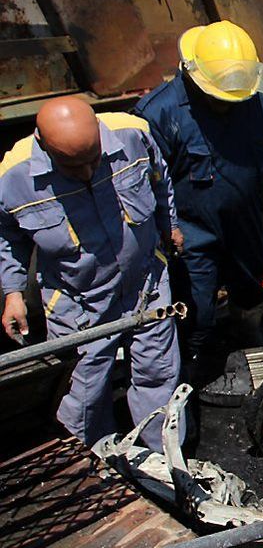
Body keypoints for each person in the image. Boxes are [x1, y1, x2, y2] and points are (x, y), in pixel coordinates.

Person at [0, 98, 182, 451]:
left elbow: (160, 179)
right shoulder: (12, 178)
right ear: (43, 144)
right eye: (72, 166)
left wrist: (169, 225)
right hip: (78, 300)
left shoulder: (133, 134)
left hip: (146, 282)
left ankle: (164, 461)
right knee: (83, 391)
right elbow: (5, 237)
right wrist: (12, 292)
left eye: (93, 160)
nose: (86, 173)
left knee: (158, 374)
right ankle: (97, 462)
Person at [134, 21, 263, 382]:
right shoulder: (159, 113)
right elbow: (144, 185)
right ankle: (193, 361)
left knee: (254, 282)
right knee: (196, 307)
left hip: (244, 217)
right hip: (191, 229)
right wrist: (165, 228)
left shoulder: (257, 103)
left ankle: (246, 328)